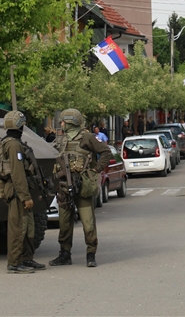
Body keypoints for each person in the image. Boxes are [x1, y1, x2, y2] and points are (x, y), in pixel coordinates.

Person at [50, 108, 112, 268]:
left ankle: (91, 254)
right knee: (64, 222)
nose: (61, 124)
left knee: (88, 222)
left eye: (63, 121)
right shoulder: (61, 140)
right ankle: (64, 254)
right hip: (64, 185)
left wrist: (96, 169)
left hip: (82, 184)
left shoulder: (87, 137)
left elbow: (106, 152)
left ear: (71, 122)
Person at [0, 110, 45, 274]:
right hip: (17, 192)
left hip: (21, 190)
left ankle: (26, 258)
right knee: (18, 228)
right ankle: (14, 263)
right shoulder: (13, 145)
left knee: (28, 226)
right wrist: (25, 197)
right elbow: (17, 173)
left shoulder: (15, 143)